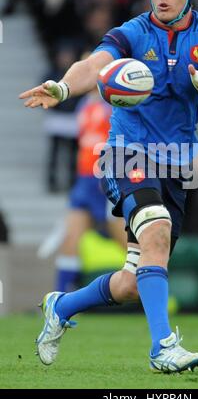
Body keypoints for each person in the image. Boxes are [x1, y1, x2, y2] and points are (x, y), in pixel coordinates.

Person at [20, 0, 198, 373]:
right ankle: (163, 348)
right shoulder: (132, 32)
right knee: (155, 226)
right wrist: (64, 87)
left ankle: (61, 306)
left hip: (178, 166)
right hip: (126, 152)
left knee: (133, 281)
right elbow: (95, 66)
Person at [55, 91, 127, 293]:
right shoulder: (85, 103)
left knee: (126, 241)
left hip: (104, 176)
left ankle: (158, 291)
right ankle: (61, 299)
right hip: (84, 179)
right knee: (71, 238)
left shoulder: (118, 100)